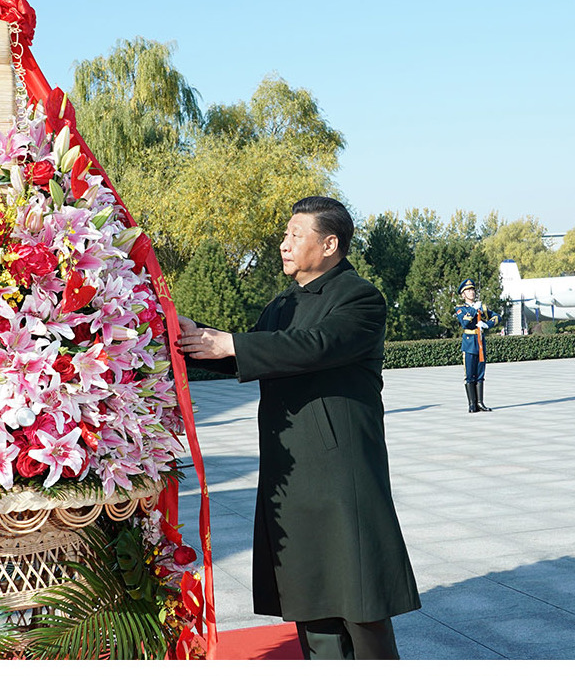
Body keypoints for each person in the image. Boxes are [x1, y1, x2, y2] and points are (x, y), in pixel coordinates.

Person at [176, 196, 420, 660]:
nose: (284, 245)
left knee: (359, 598)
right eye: (285, 235)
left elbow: (316, 345)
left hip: (341, 468)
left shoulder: (359, 297)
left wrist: (232, 343)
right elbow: (254, 352)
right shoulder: (283, 303)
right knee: (310, 594)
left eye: (296, 235)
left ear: (329, 244)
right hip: (290, 470)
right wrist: (192, 336)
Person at [454, 278, 501, 413]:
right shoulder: (461, 309)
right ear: (463, 294)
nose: (472, 292)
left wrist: (487, 324)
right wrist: (474, 310)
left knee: (480, 374)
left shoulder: (482, 307)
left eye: (473, 290)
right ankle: (472, 404)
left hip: (480, 342)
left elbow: (497, 317)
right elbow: (465, 323)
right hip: (469, 344)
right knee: (469, 374)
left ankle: (480, 403)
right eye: (468, 290)